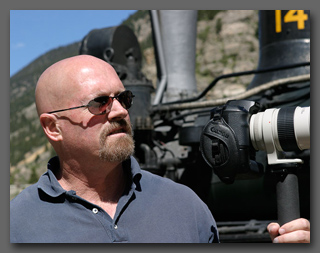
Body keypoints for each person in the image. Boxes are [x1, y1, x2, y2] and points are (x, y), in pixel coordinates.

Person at [10, 55, 310, 243]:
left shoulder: (185, 206)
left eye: (123, 99)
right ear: (53, 127)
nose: (119, 112)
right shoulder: (17, 226)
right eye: (99, 102)